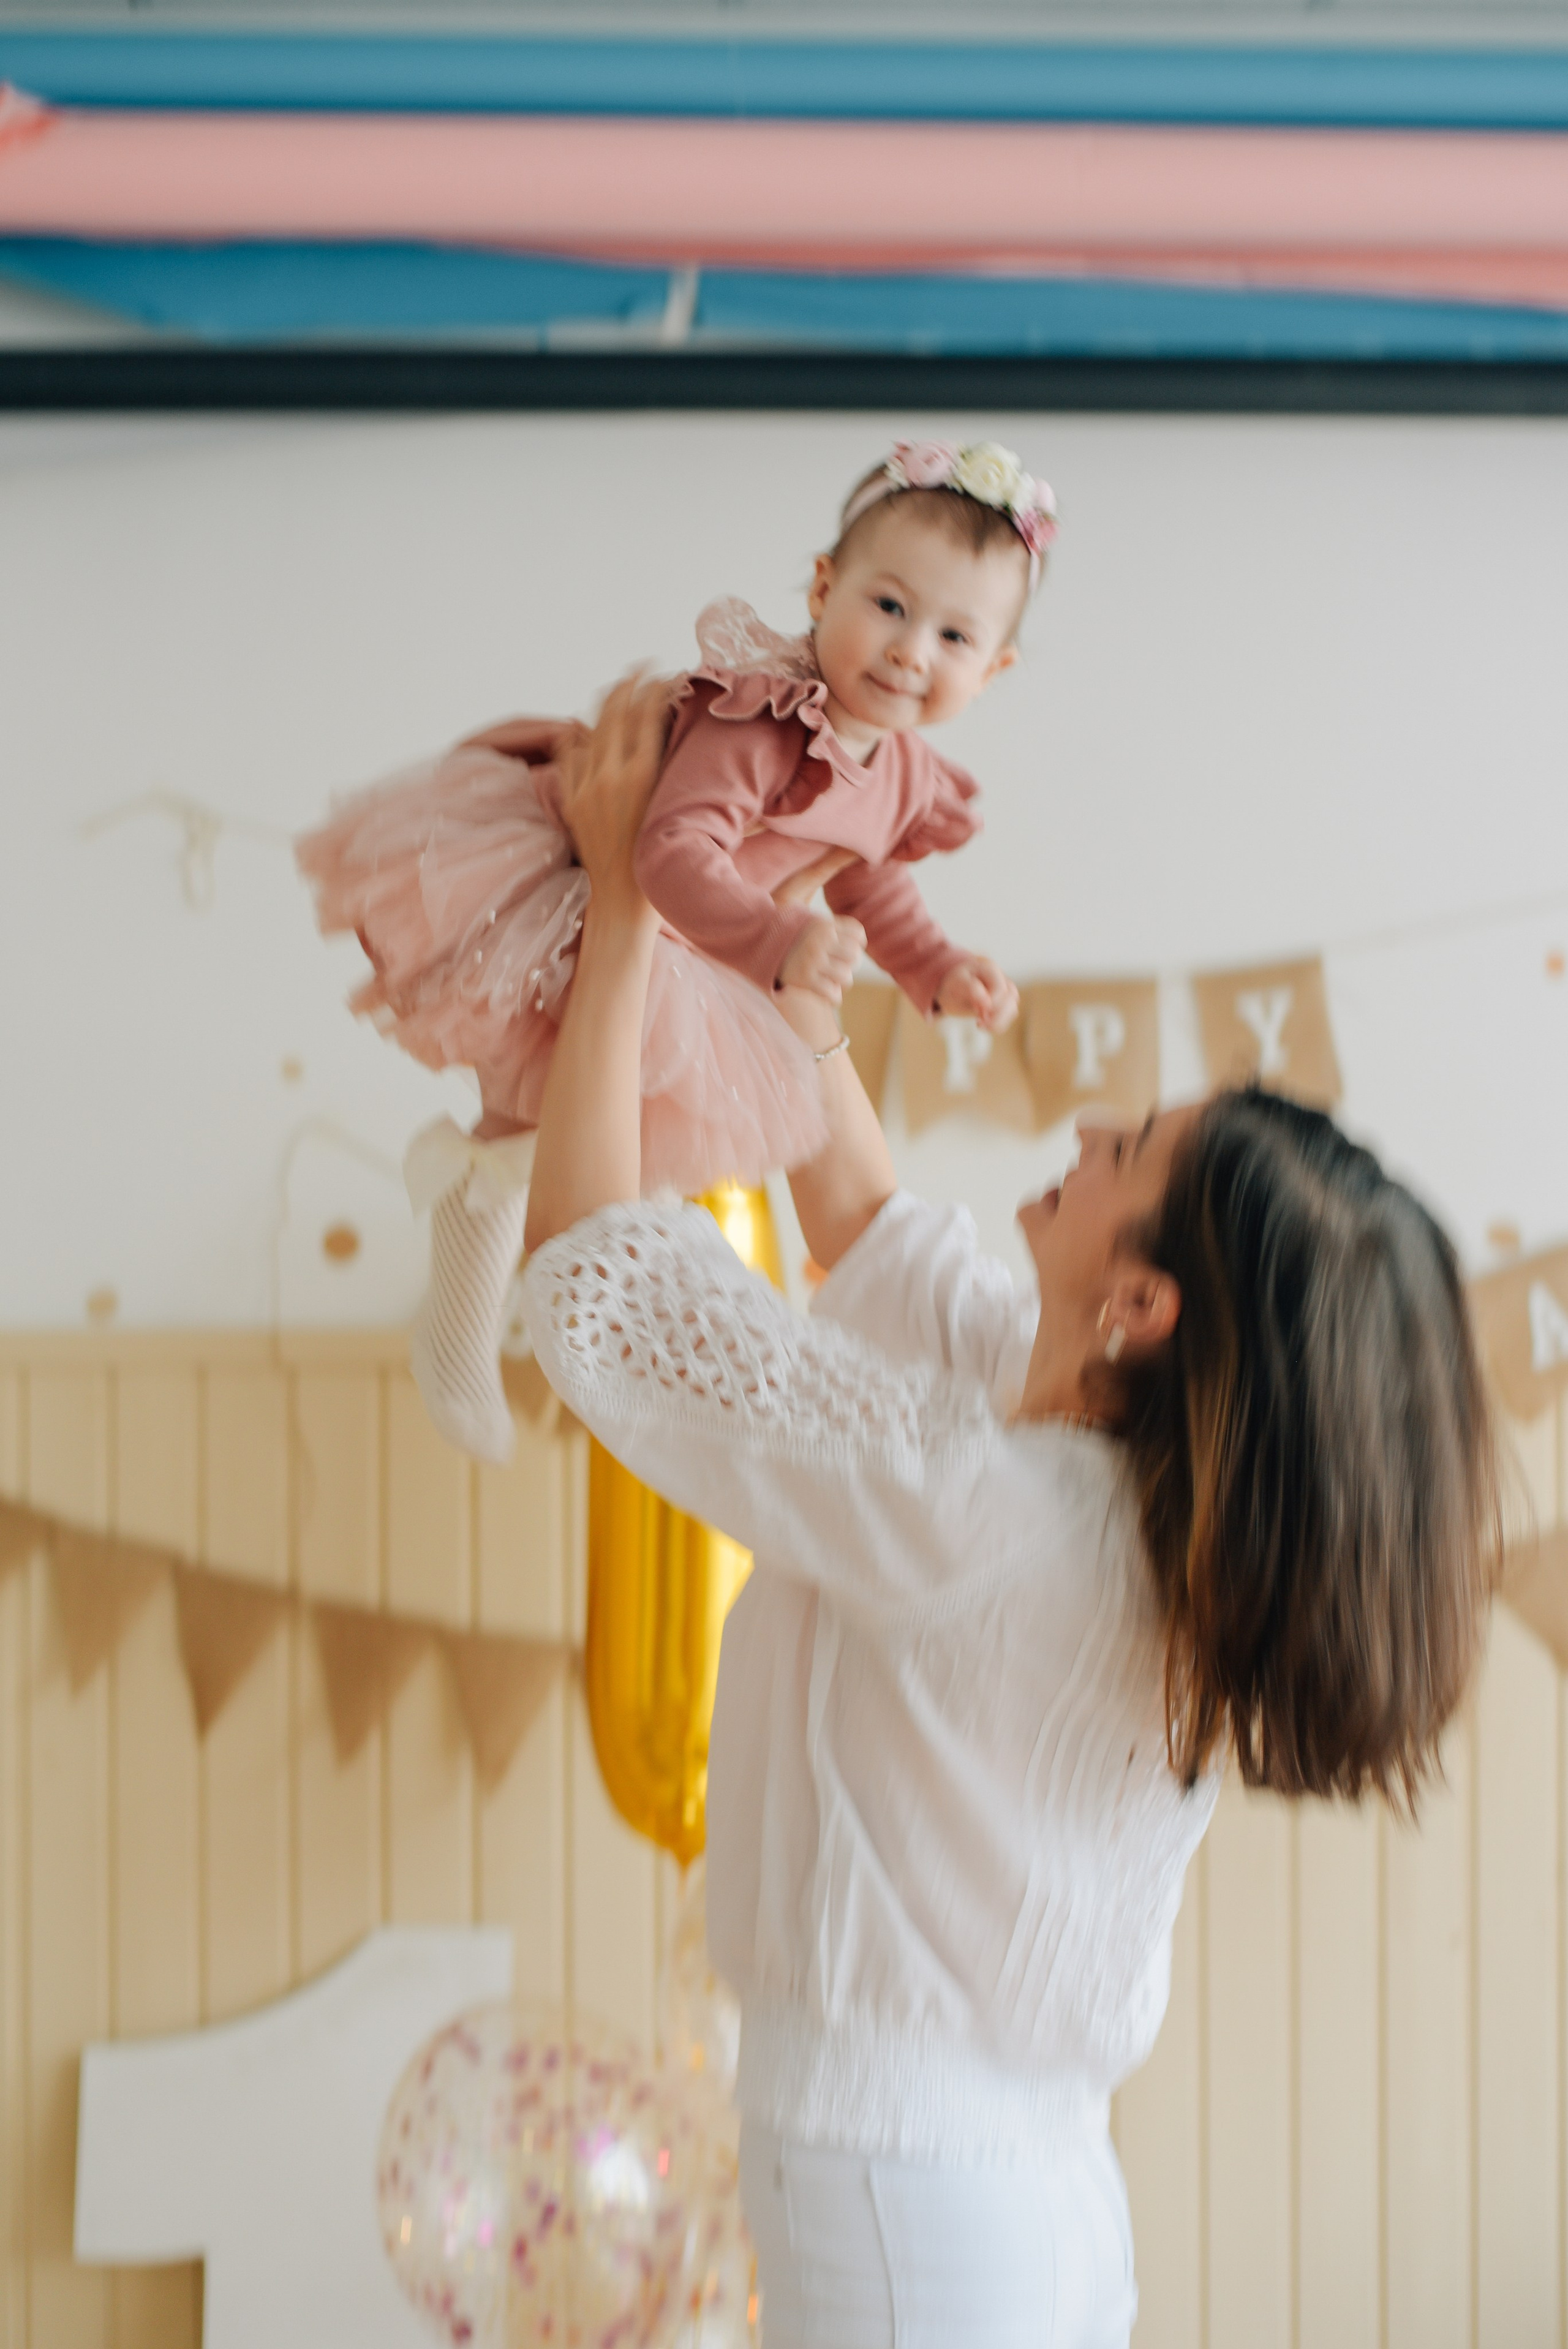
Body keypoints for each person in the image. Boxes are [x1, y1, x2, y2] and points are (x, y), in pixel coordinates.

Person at [519, 679, 1501, 2349]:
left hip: (905, 2205)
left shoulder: (976, 1501)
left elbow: (590, 1283)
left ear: (1141, 1304)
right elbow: (878, 1232)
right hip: (1015, 2187)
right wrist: (793, 962)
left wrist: (624, 909)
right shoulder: (1097, 1473)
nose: (1083, 1124)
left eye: (1126, 1146)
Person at [296, 439, 1053, 1460]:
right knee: (533, 1110)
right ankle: (461, 1320)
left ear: (995, 668)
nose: (913, 650)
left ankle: (515, 1305)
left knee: (598, 1134)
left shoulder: (907, 770)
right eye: (889, 607)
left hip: (700, 942)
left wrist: (939, 968)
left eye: (956, 635)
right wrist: (782, 940)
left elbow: (869, 877)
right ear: (824, 590)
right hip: (590, 880)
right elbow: (669, 849)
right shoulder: (763, 721)